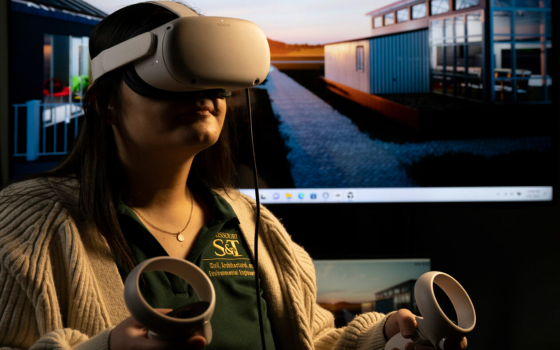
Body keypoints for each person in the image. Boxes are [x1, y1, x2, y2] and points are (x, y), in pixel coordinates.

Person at [0, 2, 468, 350]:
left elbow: (312, 340)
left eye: (211, 76)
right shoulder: (28, 226)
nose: (202, 92)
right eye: (174, 75)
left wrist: (382, 337)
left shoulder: (250, 221)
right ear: (104, 101)